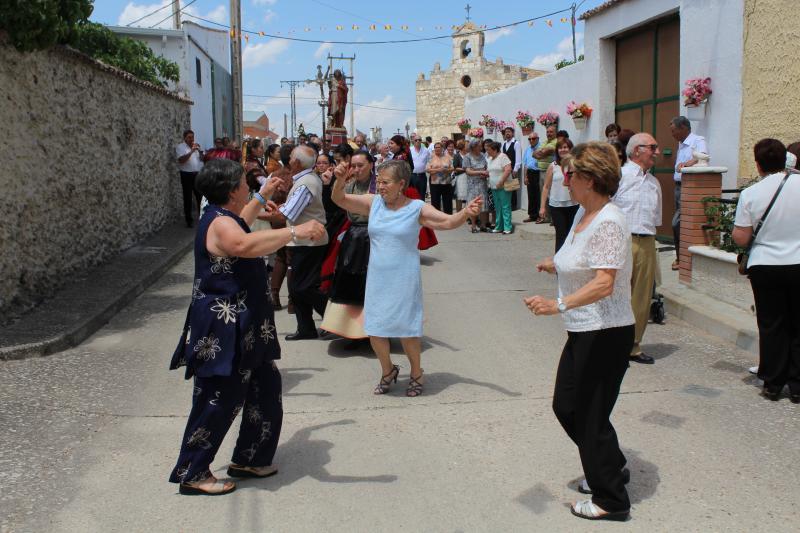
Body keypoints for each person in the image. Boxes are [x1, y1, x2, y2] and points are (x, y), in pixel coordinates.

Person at [168, 158, 325, 496]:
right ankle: (193, 472)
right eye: (244, 183)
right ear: (230, 189)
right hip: (225, 328)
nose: (247, 186)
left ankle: (250, 457)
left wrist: (263, 194)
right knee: (219, 398)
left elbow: (241, 226)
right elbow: (243, 244)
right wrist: (298, 231)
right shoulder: (220, 224)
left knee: (265, 390)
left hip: (248, 326)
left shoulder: (225, 218)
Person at [526, 141, 634, 522]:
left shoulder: (609, 220)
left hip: (605, 331)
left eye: (571, 174)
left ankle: (611, 500)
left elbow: (605, 282)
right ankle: (611, 464)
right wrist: (556, 266)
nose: (564, 179)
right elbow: (582, 260)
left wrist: (557, 304)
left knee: (587, 412)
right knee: (568, 406)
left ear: (588, 179)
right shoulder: (584, 214)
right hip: (585, 329)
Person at [331, 160, 482, 396]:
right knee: (376, 330)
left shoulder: (416, 208)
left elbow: (447, 221)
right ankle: (388, 370)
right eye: (378, 181)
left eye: (385, 182)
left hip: (404, 280)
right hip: (377, 279)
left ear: (401, 184)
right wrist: (339, 181)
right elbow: (339, 200)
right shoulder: (374, 204)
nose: (380, 186)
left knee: (407, 331)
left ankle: (416, 373)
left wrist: (465, 212)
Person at [733, 139, 800, 403]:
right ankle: (797, 386)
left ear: (758, 165)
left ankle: (773, 383)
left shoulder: (751, 193)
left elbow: (741, 237)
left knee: (772, 324)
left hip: (765, 264)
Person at [613, 133, 662, 365]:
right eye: (652, 147)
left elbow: (656, 218)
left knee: (641, 296)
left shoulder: (654, 184)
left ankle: (632, 345)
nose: (657, 152)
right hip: (621, 240)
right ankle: (611, 343)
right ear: (636, 150)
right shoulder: (619, 177)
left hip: (647, 242)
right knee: (616, 292)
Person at [274, 145, 330, 340]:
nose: (288, 160)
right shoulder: (305, 180)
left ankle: (333, 320)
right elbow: (291, 208)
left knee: (303, 287)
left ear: (296, 162)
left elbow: (288, 214)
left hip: (309, 241)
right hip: (301, 240)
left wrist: (258, 210)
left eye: (290, 158)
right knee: (298, 287)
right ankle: (305, 328)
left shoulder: (306, 182)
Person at [321, 151, 377, 341]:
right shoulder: (349, 183)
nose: (356, 169)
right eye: (353, 165)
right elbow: (334, 203)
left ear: (371, 164)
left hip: (375, 235)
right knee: (349, 280)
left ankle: (374, 330)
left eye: (361, 165)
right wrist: (337, 180)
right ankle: (349, 330)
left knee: (373, 284)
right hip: (354, 235)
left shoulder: (380, 184)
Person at [670, 116, 708, 271]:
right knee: (679, 223)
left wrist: (686, 164)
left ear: (684, 128)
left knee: (676, 223)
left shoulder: (697, 141)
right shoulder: (681, 144)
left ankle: (682, 257)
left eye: (674, 131)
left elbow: (703, 157)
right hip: (679, 187)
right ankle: (681, 257)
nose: (672, 135)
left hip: (690, 187)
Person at [541, 139, 579, 252]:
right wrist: (542, 207)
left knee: (572, 235)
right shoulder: (553, 166)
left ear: (571, 149)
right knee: (561, 235)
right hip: (557, 206)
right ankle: (559, 265)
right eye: (560, 148)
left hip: (573, 204)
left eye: (566, 147)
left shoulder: (575, 165)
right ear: (557, 151)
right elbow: (546, 187)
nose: (563, 150)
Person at [176, 129, 204, 227]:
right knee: (187, 198)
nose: (191, 139)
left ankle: (203, 218)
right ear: (185, 138)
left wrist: (200, 152)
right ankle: (189, 220)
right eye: (189, 137)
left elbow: (202, 160)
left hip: (197, 174)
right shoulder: (180, 147)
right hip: (186, 175)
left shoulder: (196, 146)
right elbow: (181, 160)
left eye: (192, 137)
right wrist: (191, 151)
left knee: (200, 197)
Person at [486, 141, 513, 234]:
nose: (487, 152)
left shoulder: (503, 157)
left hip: (503, 186)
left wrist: (501, 181)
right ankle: (499, 227)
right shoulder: (490, 159)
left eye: (488, 150)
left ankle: (507, 227)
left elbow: (508, 169)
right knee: (498, 207)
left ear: (495, 150)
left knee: (505, 207)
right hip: (494, 187)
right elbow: (489, 171)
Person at [463, 139, 490, 233]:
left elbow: (486, 167)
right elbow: (468, 171)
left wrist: (486, 173)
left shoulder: (483, 156)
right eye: (479, 145)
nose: (481, 147)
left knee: (482, 204)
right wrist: (480, 171)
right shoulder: (467, 157)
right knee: (473, 205)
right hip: (472, 185)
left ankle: (483, 225)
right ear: (473, 146)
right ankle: (473, 226)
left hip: (482, 183)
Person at [533, 125, 558, 223]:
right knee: (544, 194)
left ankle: (553, 218)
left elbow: (545, 151)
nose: (549, 134)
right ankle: (546, 216)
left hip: (551, 171)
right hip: (541, 171)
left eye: (551, 132)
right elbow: (534, 154)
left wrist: (541, 153)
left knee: (551, 195)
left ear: (555, 132)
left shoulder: (556, 142)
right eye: (547, 132)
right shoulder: (544, 142)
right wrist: (540, 153)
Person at [426, 142, 454, 214]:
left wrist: (446, 170)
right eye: (435, 147)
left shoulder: (447, 157)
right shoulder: (431, 157)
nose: (437, 149)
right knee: (435, 202)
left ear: (442, 148)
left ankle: (448, 218)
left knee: (447, 202)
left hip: (446, 183)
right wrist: (437, 170)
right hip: (435, 183)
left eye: (439, 147)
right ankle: (437, 218)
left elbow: (452, 168)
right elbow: (427, 169)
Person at [501, 126, 523, 211]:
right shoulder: (504, 144)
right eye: (506, 132)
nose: (507, 133)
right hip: (505, 169)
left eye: (509, 132)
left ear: (512, 133)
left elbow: (518, 158)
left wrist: (515, 169)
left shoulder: (516, 143)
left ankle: (513, 206)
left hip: (513, 169)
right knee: (506, 187)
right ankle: (508, 204)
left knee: (512, 187)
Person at [522, 132, 541, 223]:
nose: (531, 140)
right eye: (529, 139)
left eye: (533, 139)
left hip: (538, 172)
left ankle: (539, 215)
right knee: (531, 195)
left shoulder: (541, 148)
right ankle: (532, 215)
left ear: (537, 139)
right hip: (530, 173)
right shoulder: (528, 149)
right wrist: (525, 176)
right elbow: (525, 164)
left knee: (538, 195)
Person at [452, 140, 469, 212]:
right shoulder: (457, 156)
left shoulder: (469, 155)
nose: (468, 146)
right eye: (466, 145)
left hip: (469, 177)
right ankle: (458, 212)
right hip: (460, 178)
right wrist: (465, 169)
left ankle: (468, 214)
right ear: (463, 147)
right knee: (459, 196)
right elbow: (455, 167)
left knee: (468, 196)